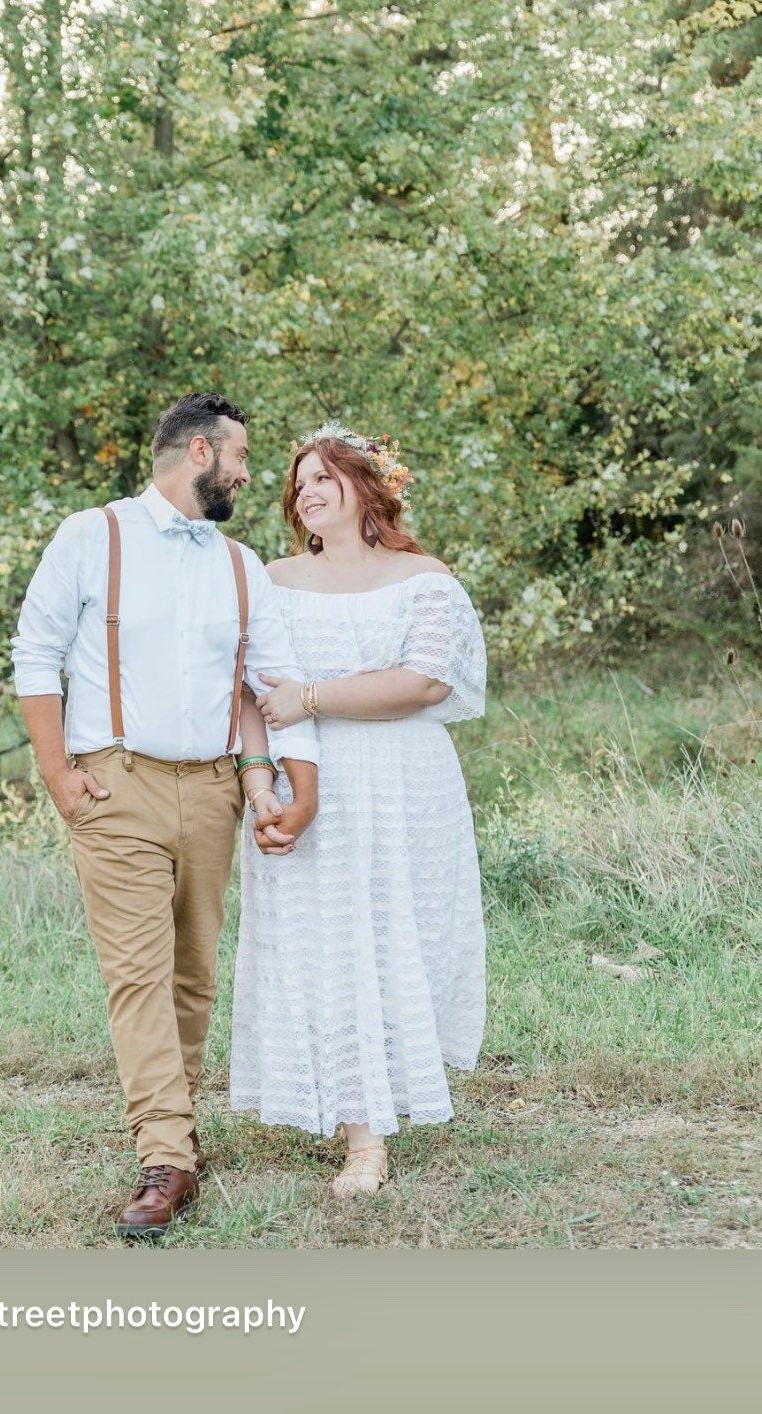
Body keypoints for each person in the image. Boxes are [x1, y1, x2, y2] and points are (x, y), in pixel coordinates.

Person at [11, 393, 319, 1238]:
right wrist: (57, 774)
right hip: (117, 786)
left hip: (216, 790)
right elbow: (34, 652)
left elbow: (268, 680)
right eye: (241, 457)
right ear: (197, 452)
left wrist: (276, 779)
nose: (251, 474)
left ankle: (172, 1133)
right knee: (139, 974)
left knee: (193, 975)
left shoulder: (242, 565)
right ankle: (167, 1158)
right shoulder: (91, 536)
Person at [230, 421, 487, 1196]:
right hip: (307, 780)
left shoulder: (426, 579)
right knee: (324, 944)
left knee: (391, 940)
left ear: (368, 487)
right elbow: (247, 689)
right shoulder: (269, 581)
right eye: (297, 481)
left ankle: (386, 1097)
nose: (305, 491)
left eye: (322, 478)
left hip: (405, 784)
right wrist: (258, 781)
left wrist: (309, 695)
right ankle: (360, 1137)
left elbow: (425, 683)